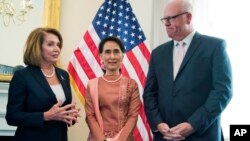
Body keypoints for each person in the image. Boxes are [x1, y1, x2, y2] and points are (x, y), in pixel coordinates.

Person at [143, 0, 232, 141]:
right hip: (165, 136)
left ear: (188, 17)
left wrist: (193, 124)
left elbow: (222, 92)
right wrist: (158, 123)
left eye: (171, 18)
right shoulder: (158, 53)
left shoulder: (215, 47)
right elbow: (149, 94)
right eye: (164, 19)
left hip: (201, 135)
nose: (166, 23)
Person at [5, 27, 80, 141]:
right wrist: (45, 116)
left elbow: (62, 113)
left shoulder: (63, 75)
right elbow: (12, 117)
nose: (57, 49)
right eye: (50, 44)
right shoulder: (22, 76)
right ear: (37, 48)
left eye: (58, 45)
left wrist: (70, 116)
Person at [85, 36, 141, 141]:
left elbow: (133, 116)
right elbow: (90, 116)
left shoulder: (132, 84)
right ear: (101, 56)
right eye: (107, 52)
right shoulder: (92, 85)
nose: (112, 56)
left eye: (116, 52)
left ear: (122, 55)